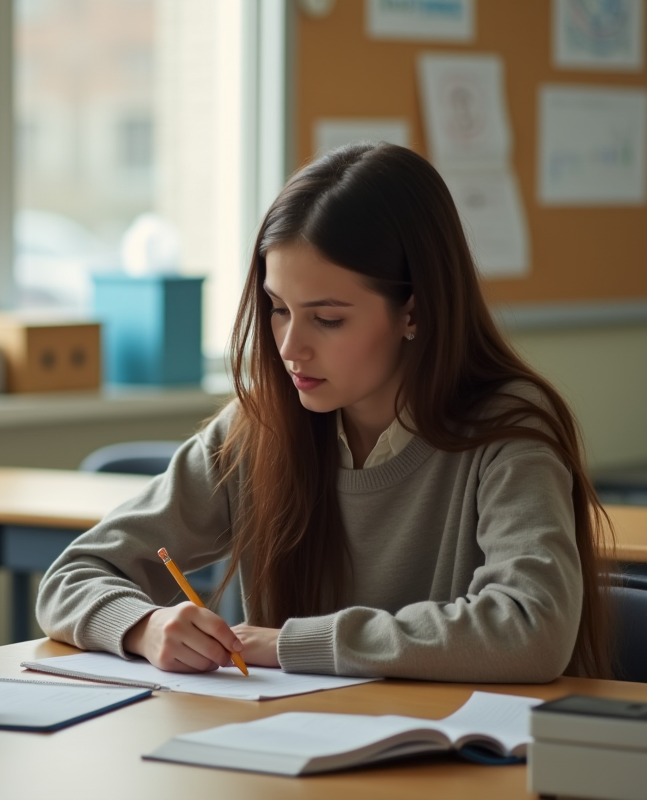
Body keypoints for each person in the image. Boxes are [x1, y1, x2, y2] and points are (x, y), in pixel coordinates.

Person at [36, 142, 612, 683]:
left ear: (415, 311)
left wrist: (292, 644)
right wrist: (144, 625)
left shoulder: (508, 428)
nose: (290, 349)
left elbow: (533, 628)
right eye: (279, 309)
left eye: (328, 318)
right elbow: (70, 577)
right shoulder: (258, 425)